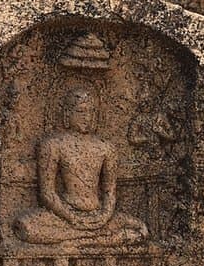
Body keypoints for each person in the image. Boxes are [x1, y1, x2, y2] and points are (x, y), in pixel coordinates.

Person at [14, 86, 148, 247]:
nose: (87, 117)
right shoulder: (52, 145)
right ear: (67, 114)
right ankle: (99, 240)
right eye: (81, 112)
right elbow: (47, 193)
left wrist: (104, 216)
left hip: (99, 215)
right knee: (25, 226)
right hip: (64, 215)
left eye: (91, 112)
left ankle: (78, 240)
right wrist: (72, 217)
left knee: (141, 227)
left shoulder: (106, 147)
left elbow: (109, 192)